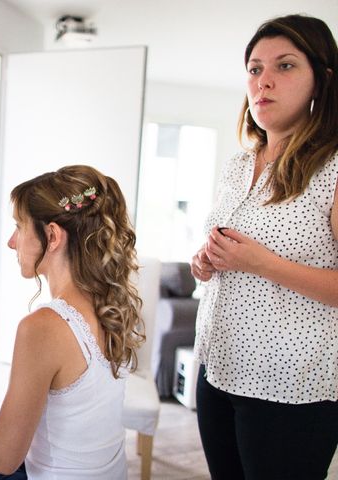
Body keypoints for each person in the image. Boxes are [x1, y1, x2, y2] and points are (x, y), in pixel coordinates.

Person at [0, 165, 143, 479]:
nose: (12, 242)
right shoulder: (112, 305)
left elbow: (3, 459)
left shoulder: (44, 326)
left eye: (19, 226)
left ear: (52, 236)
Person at [190, 14, 338, 480]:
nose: (264, 81)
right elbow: (232, 248)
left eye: (286, 66)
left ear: (322, 80)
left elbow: (261, 259)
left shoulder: (333, 168)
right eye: (254, 69)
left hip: (291, 385)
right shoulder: (238, 164)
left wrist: (261, 263)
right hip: (217, 367)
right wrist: (207, 260)